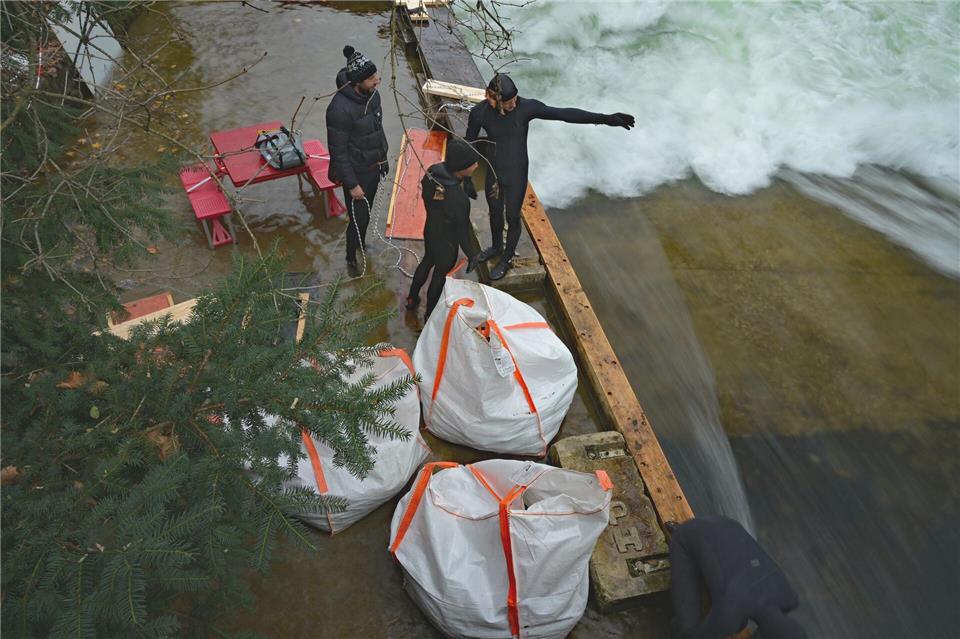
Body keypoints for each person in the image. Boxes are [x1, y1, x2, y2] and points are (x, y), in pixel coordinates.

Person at [465, 73, 635, 280]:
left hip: (516, 171)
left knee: (512, 216)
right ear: (494, 99)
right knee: (494, 212)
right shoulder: (479, 113)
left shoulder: (526, 108)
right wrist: (466, 178)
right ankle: (496, 247)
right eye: (509, 102)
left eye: (515, 99)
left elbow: (563, 114)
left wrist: (605, 119)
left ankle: (507, 257)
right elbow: (469, 144)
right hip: (494, 171)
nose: (514, 104)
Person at [666, 515, 808, 639]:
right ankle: (681, 533)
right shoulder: (730, 614)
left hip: (726, 523)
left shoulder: (788, 596)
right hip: (686, 536)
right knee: (686, 629)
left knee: (737, 621)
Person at [326, 45, 389, 270]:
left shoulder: (373, 96)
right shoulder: (338, 110)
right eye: (371, 78)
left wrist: (383, 159)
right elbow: (338, 152)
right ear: (357, 82)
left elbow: (377, 129)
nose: (377, 81)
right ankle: (350, 257)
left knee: (366, 214)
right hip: (356, 172)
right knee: (358, 218)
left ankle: (361, 243)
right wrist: (352, 185)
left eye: (376, 76)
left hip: (373, 166)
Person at [406, 138, 481, 319]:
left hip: (431, 228)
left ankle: (412, 298)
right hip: (447, 241)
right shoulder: (459, 200)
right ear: (460, 168)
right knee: (439, 276)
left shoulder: (432, 173)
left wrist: (465, 180)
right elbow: (463, 232)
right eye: (472, 164)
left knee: (427, 261)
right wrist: (473, 255)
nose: (477, 166)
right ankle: (430, 315)